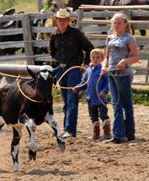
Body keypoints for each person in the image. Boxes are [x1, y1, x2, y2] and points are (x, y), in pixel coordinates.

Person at [50, 8, 94, 139]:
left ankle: (70, 130)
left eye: (64, 20)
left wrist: (85, 64)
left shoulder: (76, 34)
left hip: (74, 68)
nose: (62, 22)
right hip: (62, 69)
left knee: (72, 99)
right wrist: (57, 62)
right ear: (56, 21)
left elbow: (89, 47)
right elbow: (52, 52)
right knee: (66, 100)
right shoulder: (54, 35)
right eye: (59, 19)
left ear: (68, 21)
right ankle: (66, 128)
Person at [102, 12, 139, 144]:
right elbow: (106, 56)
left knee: (126, 104)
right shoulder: (109, 38)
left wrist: (124, 61)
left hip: (123, 75)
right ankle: (118, 134)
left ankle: (129, 133)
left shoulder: (129, 38)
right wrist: (104, 67)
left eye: (119, 23)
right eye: (114, 23)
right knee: (116, 104)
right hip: (112, 74)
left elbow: (136, 57)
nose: (116, 25)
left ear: (124, 24)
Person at [73, 48, 110, 140]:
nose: (95, 59)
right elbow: (84, 82)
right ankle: (96, 133)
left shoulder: (103, 70)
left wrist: (104, 91)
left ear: (101, 59)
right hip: (90, 98)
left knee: (103, 115)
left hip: (101, 98)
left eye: (98, 57)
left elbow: (108, 83)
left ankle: (107, 133)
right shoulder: (88, 71)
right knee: (93, 116)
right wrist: (78, 87)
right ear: (90, 58)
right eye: (93, 57)